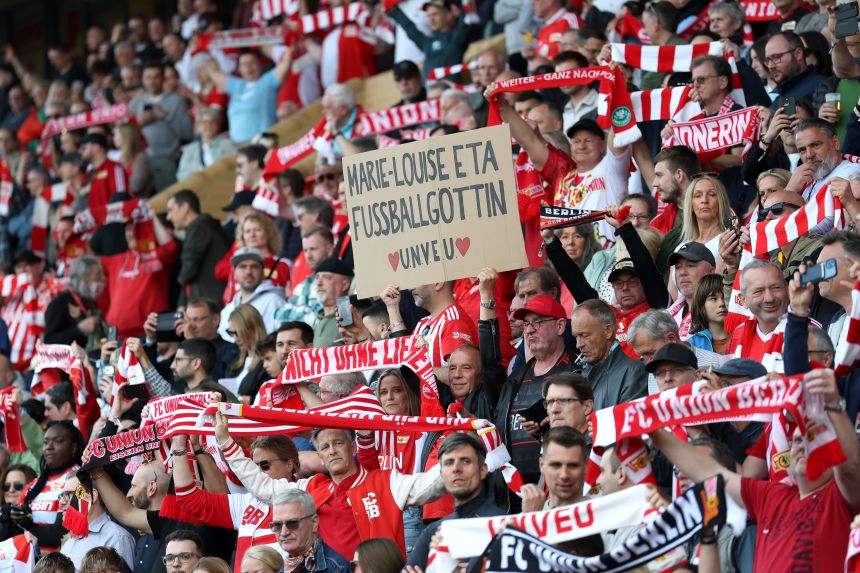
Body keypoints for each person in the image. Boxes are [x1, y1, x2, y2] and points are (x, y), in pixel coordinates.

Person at [650, 367, 860, 572]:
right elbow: (709, 471)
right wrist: (653, 430)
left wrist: (834, 406)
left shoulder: (840, 495)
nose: (802, 445)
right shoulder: (772, 495)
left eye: (812, 438)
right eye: (797, 440)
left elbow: (850, 468)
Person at [217, 418, 447, 560]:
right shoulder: (311, 486)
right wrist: (227, 444)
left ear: (353, 448)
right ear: (319, 456)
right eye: (325, 447)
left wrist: (457, 443)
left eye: (338, 443)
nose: (332, 451)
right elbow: (264, 488)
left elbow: (432, 484)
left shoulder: (386, 481)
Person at [489, 79, 632, 243]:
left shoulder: (611, 168)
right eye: (576, 141)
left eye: (588, 141)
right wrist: (502, 105)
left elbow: (617, 137)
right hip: (568, 254)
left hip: (607, 253)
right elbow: (529, 141)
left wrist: (618, 92)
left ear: (602, 145)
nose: (581, 146)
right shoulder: (563, 173)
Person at [171, 433, 298, 570]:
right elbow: (189, 499)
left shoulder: (307, 498)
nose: (258, 472)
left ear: (289, 464)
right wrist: (179, 446)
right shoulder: (246, 502)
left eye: (264, 465)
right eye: (254, 466)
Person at [406, 433, 505, 569]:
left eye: (465, 461)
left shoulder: (503, 527)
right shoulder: (433, 532)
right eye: (449, 462)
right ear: (441, 475)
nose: (456, 469)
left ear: (483, 470)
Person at [383, 279, 477, 377]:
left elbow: (459, 377)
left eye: (415, 280)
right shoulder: (423, 323)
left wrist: (422, 366)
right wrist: (392, 307)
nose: (410, 288)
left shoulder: (453, 321)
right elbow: (406, 366)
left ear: (438, 283)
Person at [15, 423, 83, 551]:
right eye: (45, 442)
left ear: (74, 447)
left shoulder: (78, 479)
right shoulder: (35, 484)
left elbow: (59, 534)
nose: (49, 447)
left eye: (58, 441)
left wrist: (26, 527)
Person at [571, 299, 648, 410]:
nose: (578, 344)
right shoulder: (579, 377)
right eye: (576, 337)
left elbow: (628, 419)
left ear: (608, 331)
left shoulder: (634, 372)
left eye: (585, 335)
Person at [129, 62, 194, 190]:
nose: (152, 81)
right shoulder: (136, 103)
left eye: (156, 77)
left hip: (167, 160)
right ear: (142, 79)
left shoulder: (176, 101)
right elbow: (125, 134)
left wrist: (165, 117)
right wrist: (139, 123)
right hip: (140, 161)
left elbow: (187, 133)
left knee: (168, 197)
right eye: (148, 77)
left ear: (163, 78)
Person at [205, 51, 290, 143]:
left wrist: (286, 51)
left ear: (260, 66)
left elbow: (285, 62)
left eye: (253, 62)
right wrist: (208, 51)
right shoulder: (236, 85)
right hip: (237, 145)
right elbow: (213, 72)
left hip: (261, 143)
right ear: (239, 69)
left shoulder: (267, 82)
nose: (249, 67)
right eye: (244, 64)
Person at [166, 189, 229, 306]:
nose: (168, 217)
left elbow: (188, 270)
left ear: (185, 207)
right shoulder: (203, 226)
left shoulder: (198, 227)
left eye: (171, 210)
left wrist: (180, 279)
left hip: (210, 305)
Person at [726, 260, 789, 371]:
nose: (769, 298)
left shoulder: (805, 331)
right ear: (743, 300)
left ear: (787, 289)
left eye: (776, 288)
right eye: (758, 291)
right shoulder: (739, 332)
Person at [216, 212, 290, 306]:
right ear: (242, 236)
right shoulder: (237, 265)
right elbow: (229, 300)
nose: (252, 235)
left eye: (257, 230)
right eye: (247, 231)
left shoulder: (282, 266)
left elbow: (288, 298)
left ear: (268, 233)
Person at [388, 0, 469, 81]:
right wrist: (392, 10)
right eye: (428, 16)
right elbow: (410, 28)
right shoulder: (427, 42)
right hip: (428, 88)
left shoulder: (457, 37)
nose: (431, 20)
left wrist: (463, 13)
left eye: (435, 14)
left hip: (449, 88)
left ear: (449, 14)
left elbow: (467, 18)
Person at [270, 489, 348, 573]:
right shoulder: (283, 567)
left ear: (314, 522)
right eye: (277, 525)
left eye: (292, 523)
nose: (284, 533)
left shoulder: (336, 568)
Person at [218, 247, 284, 336]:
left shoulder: (275, 302)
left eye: (254, 267)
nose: (248, 271)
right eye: (243, 267)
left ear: (262, 272)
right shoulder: (226, 311)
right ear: (234, 273)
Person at [520, 427, 588, 512]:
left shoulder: (600, 514)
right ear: (542, 465)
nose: (564, 475)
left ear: (585, 466)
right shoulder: (531, 512)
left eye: (573, 466)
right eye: (556, 465)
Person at [44, 256, 106, 348]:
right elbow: (49, 341)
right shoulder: (59, 304)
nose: (103, 278)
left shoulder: (91, 302)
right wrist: (79, 329)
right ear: (84, 278)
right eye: (98, 275)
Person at [666, 242, 717, 337]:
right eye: (678, 267)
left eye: (690, 265)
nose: (682, 272)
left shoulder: (720, 310)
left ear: (711, 271)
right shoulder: (668, 315)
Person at [176, 108, 235, 182]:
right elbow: (181, 174)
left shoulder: (228, 144)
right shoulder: (190, 149)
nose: (208, 125)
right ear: (198, 127)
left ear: (218, 125)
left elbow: (233, 167)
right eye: (204, 122)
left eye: (212, 122)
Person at [765, 32, 825, 103]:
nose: (770, 66)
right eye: (768, 60)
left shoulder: (822, 87)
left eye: (776, 57)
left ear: (798, 54)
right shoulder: (783, 94)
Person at [79, 132, 128, 210]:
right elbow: (82, 202)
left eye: (84, 148)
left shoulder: (114, 168)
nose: (81, 152)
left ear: (96, 148)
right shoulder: (87, 175)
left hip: (110, 216)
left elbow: (121, 200)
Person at [312, 257, 354, 348]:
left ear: (345, 285)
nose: (319, 283)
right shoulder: (318, 319)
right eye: (317, 277)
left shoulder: (347, 314)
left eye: (326, 277)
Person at [688, 274, 731, 353]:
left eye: (725, 297)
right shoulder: (692, 345)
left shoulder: (744, 336)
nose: (721, 303)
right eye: (713, 299)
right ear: (701, 306)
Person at [113, 122, 153, 197]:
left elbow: (136, 186)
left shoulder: (140, 158)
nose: (114, 137)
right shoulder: (120, 157)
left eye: (116, 134)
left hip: (139, 199)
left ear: (126, 136)